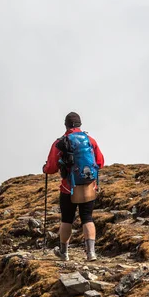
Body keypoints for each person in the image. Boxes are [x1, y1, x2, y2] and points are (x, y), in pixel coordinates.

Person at [43, 112, 104, 262]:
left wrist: (45, 168)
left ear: (66, 125)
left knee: (67, 220)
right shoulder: (90, 140)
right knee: (87, 218)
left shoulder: (60, 142)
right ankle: (91, 253)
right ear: (80, 124)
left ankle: (64, 253)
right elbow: (100, 162)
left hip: (68, 188)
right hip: (89, 186)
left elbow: (51, 167)